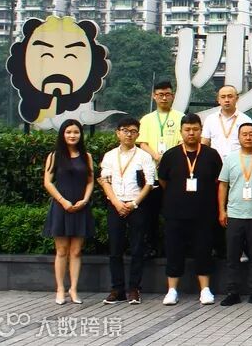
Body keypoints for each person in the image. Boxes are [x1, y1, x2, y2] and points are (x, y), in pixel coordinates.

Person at [158, 114, 224, 306]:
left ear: (201, 131)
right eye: (187, 129)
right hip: (175, 213)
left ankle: (205, 289)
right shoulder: (171, 155)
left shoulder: (211, 155)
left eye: (195, 129)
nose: (191, 133)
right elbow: (163, 181)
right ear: (181, 131)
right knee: (174, 250)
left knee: (203, 249)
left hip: (204, 213)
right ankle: (172, 290)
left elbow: (218, 181)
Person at [98, 117, 155, 305]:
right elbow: (105, 180)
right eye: (124, 130)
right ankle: (117, 289)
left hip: (137, 205)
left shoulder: (144, 156)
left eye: (133, 131)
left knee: (137, 248)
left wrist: (133, 204)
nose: (128, 134)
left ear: (138, 134)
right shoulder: (109, 156)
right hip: (115, 205)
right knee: (115, 248)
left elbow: (149, 183)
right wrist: (116, 202)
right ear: (117, 133)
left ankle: (134, 289)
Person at [43, 119, 95, 305]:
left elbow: (90, 181)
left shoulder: (86, 156)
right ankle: (60, 289)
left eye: (76, 132)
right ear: (62, 134)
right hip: (61, 207)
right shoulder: (55, 156)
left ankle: (73, 288)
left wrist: (85, 200)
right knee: (62, 250)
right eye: (68, 132)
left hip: (81, 206)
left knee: (76, 251)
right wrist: (63, 201)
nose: (72, 135)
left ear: (81, 134)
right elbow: (47, 182)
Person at [217, 122, 252, 307]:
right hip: (235, 214)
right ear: (238, 137)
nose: (248, 137)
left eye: (251, 134)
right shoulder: (230, 159)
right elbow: (223, 185)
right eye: (244, 134)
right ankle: (233, 292)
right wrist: (222, 210)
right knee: (232, 257)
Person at [137, 80, 182, 258]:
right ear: (154, 96)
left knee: (174, 214)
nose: (164, 98)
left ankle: (173, 247)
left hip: (173, 176)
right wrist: (156, 156)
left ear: (173, 96)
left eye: (167, 94)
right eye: (160, 94)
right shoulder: (146, 119)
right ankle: (152, 247)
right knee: (151, 214)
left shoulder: (180, 117)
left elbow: (182, 142)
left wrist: (167, 158)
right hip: (152, 176)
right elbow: (142, 143)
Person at [201, 85, 252, 161]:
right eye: (223, 97)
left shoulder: (245, 120)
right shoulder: (210, 119)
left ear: (237, 99)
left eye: (230, 96)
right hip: (215, 163)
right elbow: (205, 143)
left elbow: (250, 145)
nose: (227, 100)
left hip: (238, 163)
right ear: (218, 100)